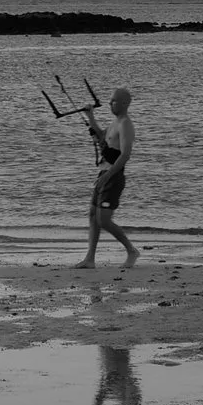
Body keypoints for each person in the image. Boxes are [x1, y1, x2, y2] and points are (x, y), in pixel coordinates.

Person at [81, 84, 139, 268]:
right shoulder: (114, 123)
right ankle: (90, 259)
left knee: (103, 220)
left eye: (113, 101)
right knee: (92, 215)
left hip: (113, 176)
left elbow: (125, 155)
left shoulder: (125, 124)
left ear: (124, 103)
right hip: (103, 173)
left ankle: (131, 251)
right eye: (110, 100)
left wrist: (109, 176)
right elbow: (101, 139)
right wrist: (90, 117)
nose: (109, 103)